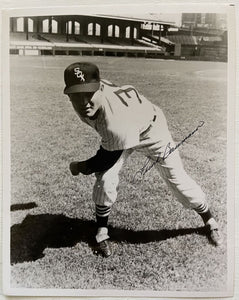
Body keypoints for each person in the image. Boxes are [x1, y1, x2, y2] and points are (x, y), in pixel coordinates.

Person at [63, 62, 223, 257]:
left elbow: (104, 159)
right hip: (126, 128)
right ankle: (101, 232)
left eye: (89, 93)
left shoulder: (114, 121)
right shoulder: (91, 100)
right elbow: (109, 147)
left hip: (152, 131)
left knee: (177, 179)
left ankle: (210, 221)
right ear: (68, 95)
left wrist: (80, 166)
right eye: (76, 95)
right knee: (105, 179)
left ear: (99, 88)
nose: (84, 101)